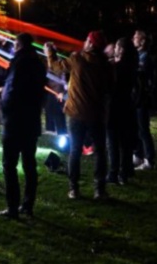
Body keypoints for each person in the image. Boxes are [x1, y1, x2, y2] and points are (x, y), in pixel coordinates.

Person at [0, 33, 47, 219]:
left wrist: (2, 107)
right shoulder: (37, 62)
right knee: (29, 164)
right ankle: (27, 206)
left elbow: (13, 87)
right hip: (31, 121)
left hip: (16, 122)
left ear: (18, 45)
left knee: (9, 165)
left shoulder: (19, 62)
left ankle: (13, 208)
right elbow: (13, 80)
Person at [45, 31, 112, 200]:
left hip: (76, 112)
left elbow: (56, 66)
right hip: (97, 114)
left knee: (75, 150)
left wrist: (50, 53)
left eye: (87, 40)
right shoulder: (106, 65)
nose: (84, 41)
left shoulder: (77, 59)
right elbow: (110, 87)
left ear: (90, 44)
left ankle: (74, 189)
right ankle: (99, 190)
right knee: (101, 152)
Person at [107, 37, 139, 186]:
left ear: (120, 50)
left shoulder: (116, 67)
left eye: (117, 47)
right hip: (127, 107)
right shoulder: (132, 66)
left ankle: (114, 173)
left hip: (114, 107)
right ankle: (124, 173)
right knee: (125, 143)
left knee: (113, 141)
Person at [133, 29, 157, 171]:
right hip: (137, 98)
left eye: (136, 37)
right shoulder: (138, 55)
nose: (133, 39)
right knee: (136, 128)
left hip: (142, 99)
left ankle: (149, 159)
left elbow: (140, 74)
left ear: (142, 41)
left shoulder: (145, 57)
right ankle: (138, 155)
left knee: (143, 129)